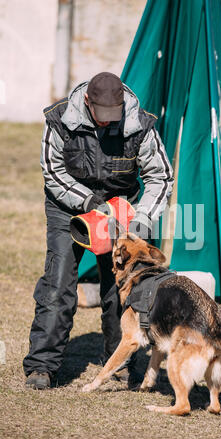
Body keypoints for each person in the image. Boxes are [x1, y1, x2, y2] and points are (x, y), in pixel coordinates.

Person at [23, 72, 174, 390]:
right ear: (87, 102)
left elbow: (161, 176)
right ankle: (42, 366)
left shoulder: (141, 125)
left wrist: (141, 219)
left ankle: (120, 364)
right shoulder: (59, 119)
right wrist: (90, 202)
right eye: (100, 116)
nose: (107, 123)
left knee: (123, 289)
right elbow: (52, 171)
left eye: (113, 116)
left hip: (122, 210)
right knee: (59, 283)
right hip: (69, 207)